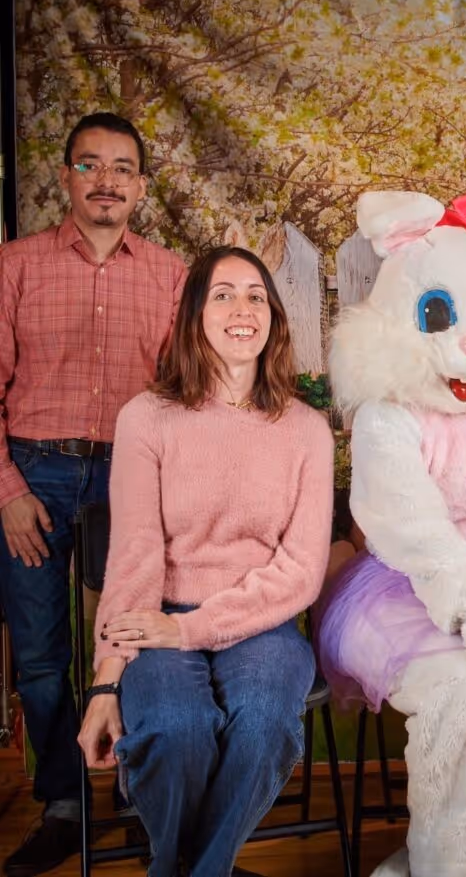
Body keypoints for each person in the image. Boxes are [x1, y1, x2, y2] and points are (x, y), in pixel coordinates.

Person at [76, 247, 334, 877]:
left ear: (273, 315)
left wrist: (191, 629)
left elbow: (301, 570)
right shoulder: (147, 418)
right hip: (156, 613)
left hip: (262, 623)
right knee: (174, 726)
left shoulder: (306, 430)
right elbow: (133, 555)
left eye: (254, 295)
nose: (241, 308)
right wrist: (107, 681)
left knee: (266, 721)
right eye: (222, 294)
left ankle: (184, 870)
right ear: (194, 315)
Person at [0, 113, 186, 877]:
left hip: (133, 478)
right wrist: (7, 490)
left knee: (136, 646)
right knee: (42, 657)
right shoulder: (14, 265)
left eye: (121, 168)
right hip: (33, 472)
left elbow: (186, 392)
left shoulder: (173, 274)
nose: (106, 180)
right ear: (65, 177)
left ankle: (144, 804)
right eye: (90, 165)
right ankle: (63, 804)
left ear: (140, 185)